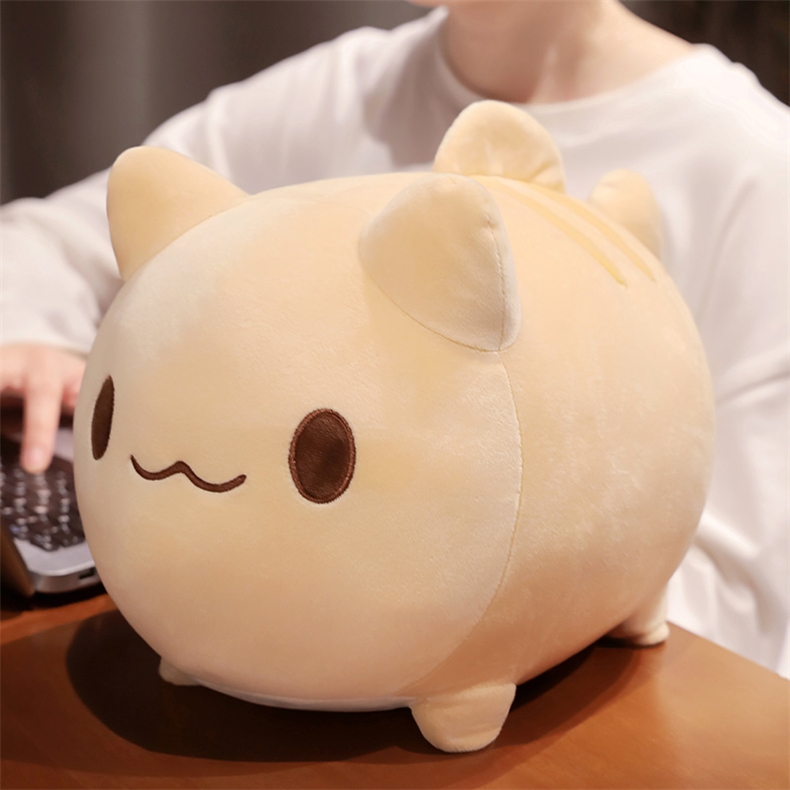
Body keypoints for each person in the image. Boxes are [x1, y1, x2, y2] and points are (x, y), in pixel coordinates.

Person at [1, 0, 787, 677]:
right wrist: (36, 332)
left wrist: (430, 628)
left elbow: (739, 605)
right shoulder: (348, 91)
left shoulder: (752, 164)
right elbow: (55, 235)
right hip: (273, 670)